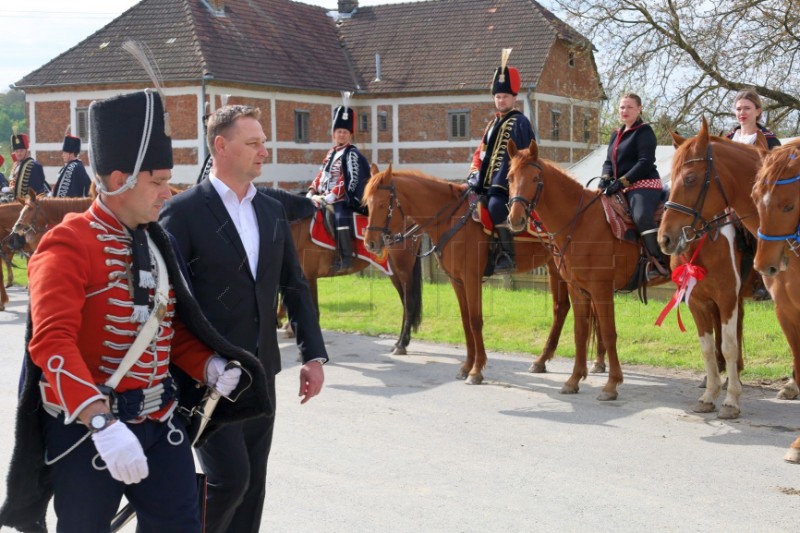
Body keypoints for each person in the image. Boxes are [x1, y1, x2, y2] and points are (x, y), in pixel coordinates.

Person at [0, 89, 272, 533]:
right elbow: (51, 343)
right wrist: (101, 422)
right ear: (120, 178)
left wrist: (208, 365)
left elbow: (166, 328)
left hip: (159, 421)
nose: (169, 192)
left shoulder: (154, 240)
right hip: (89, 428)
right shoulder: (68, 243)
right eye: (158, 181)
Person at [160, 104, 328, 533]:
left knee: (253, 485)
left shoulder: (270, 208)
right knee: (229, 480)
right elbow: (168, 302)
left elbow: (293, 285)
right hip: (206, 379)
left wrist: (312, 355)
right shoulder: (183, 212)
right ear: (221, 145)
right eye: (253, 143)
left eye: (263, 142)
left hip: (261, 371)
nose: (263, 151)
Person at [467, 48, 535, 274]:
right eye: (497, 96)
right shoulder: (492, 124)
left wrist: (510, 182)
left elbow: (526, 158)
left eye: (505, 96)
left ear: (514, 98)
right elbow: (480, 153)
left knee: (496, 205)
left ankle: (507, 254)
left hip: (509, 186)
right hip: (483, 184)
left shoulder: (521, 122)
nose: (501, 100)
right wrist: (474, 172)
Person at [597, 92, 667, 278]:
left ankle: (657, 262)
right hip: (619, 186)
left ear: (639, 109)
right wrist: (605, 177)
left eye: (629, 107)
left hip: (644, 184)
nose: (624, 111)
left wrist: (621, 182)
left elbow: (645, 162)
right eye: (621, 107)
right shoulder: (616, 134)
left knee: (640, 215)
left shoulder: (644, 132)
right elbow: (608, 161)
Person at [726, 88, 781, 300]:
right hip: (728, 199)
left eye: (747, 108)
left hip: (757, 200)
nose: (742, 113)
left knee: (755, 232)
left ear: (758, 111)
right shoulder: (728, 137)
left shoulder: (768, 139)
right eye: (739, 109)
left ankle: (762, 282)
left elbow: (775, 174)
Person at [306, 93, 370, 272]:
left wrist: (333, 195)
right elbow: (322, 174)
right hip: (323, 196)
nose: (341, 134)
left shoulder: (352, 154)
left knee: (340, 216)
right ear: (334, 133)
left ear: (350, 134)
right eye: (338, 131)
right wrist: (312, 189)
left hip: (341, 199)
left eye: (344, 132)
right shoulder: (330, 153)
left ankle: (346, 258)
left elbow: (348, 179)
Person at [9, 130, 49, 200]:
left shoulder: (35, 166)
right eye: (16, 151)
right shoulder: (17, 166)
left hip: (31, 205)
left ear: (26, 150)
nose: (18, 153)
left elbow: (38, 189)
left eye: (21, 150)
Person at [51, 129, 91, 197]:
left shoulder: (73, 167)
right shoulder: (78, 166)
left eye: (65, 152)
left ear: (71, 153)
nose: (62, 155)